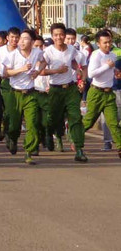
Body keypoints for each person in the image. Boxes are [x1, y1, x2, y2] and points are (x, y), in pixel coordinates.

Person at [43, 23, 87, 162]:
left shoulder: (71, 49)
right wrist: (57, 71)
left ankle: (79, 149)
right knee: (54, 117)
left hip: (70, 88)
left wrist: (78, 71)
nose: (59, 37)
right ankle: (49, 133)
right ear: (52, 36)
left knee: (76, 117)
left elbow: (74, 61)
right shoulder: (48, 52)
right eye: (56, 35)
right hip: (55, 89)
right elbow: (41, 71)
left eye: (61, 34)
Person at [2, 29, 46, 165]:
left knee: (32, 123)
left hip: (30, 93)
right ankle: (13, 138)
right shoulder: (12, 55)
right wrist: (21, 69)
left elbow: (44, 62)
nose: (21, 41)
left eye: (25, 39)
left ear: (32, 42)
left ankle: (28, 152)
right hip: (15, 93)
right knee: (14, 124)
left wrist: (37, 72)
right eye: (20, 38)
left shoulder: (37, 52)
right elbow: (6, 73)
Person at [82, 30, 121, 157]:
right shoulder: (96, 55)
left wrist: (115, 71)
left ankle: (120, 147)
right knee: (89, 121)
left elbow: (112, 69)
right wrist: (107, 66)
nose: (108, 45)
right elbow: (91, 74)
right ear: (98, 43)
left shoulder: (113, 56)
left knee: (113, 123)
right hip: (96, 92)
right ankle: (75, 137)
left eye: (109, 42)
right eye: (105, 43)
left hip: (109, 93)